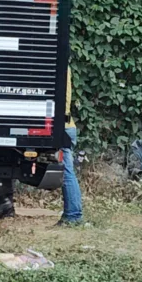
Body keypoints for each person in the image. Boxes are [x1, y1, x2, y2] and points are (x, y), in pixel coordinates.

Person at [57, 67, 84, 226]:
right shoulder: (64, 66)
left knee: (66, 172)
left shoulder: (59, 64)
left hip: (62, 127)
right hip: (66, 125)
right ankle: (73, 214)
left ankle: (74, 215)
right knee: (67, 171)